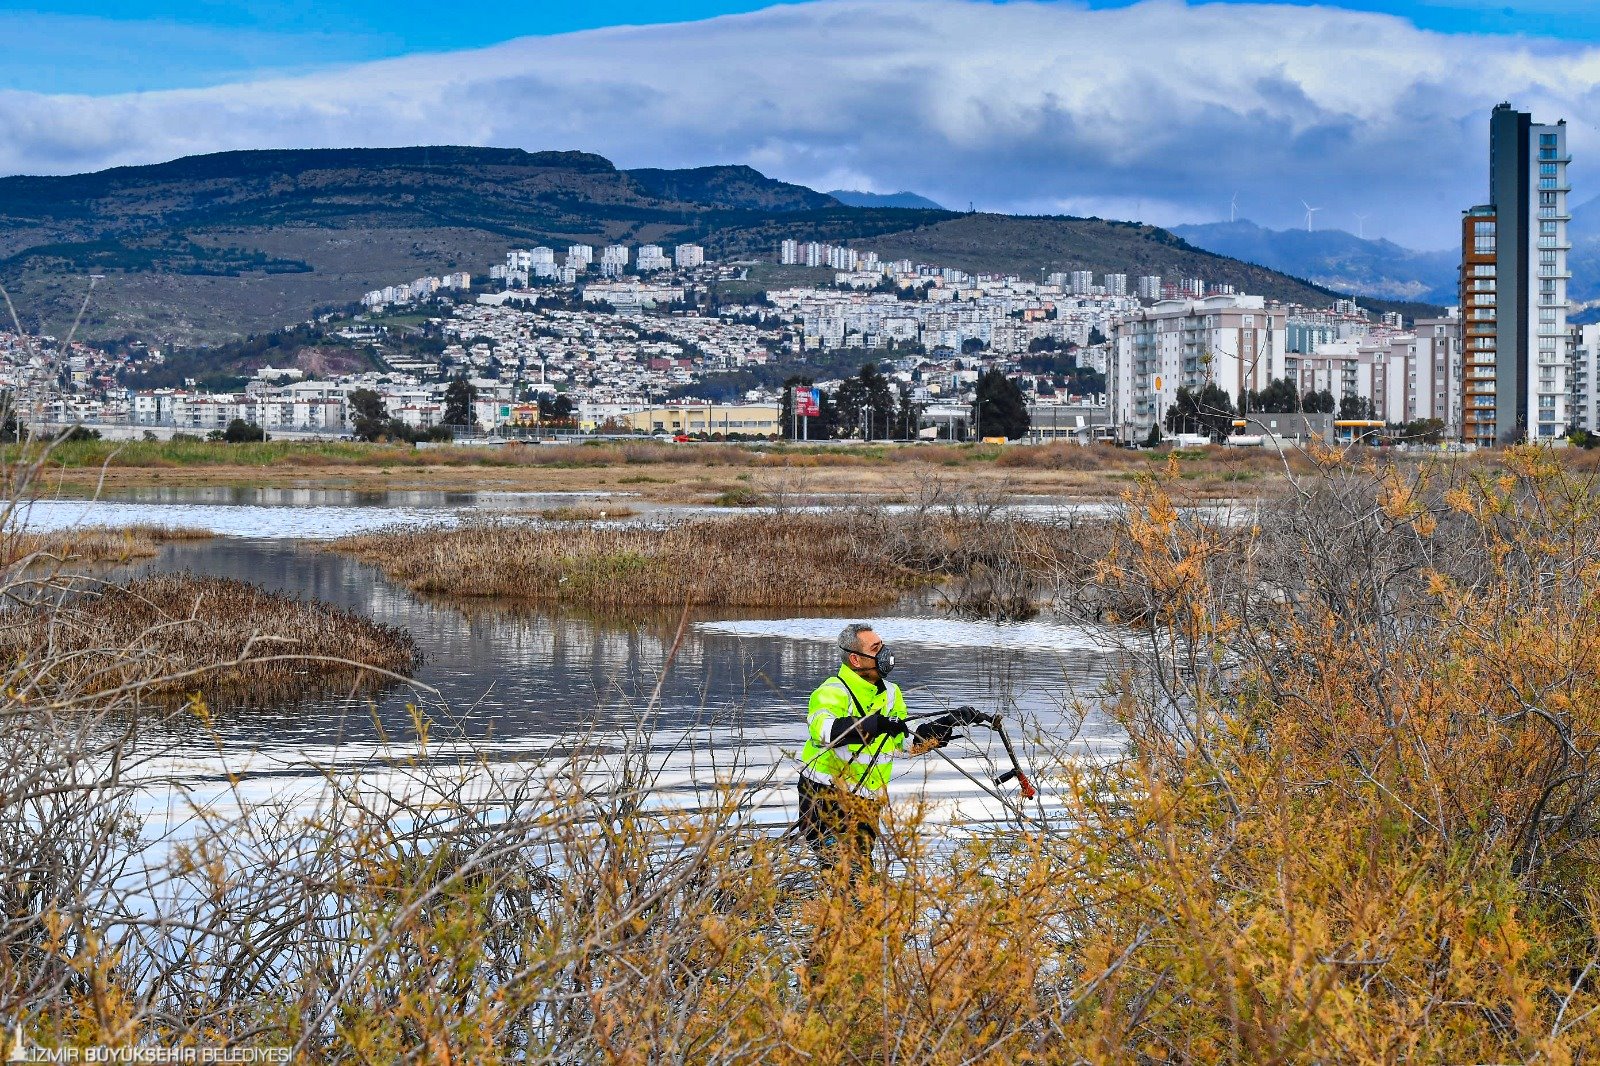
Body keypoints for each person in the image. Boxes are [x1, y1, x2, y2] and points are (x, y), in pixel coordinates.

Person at [796, 623, 989, 864]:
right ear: (856, 660)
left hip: (865, 802)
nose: (885, 653)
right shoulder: (831, 691)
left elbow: (903, 744)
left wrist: (946, 724)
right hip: (823, 797)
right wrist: (874, 725)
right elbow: (825, 732)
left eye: (883, 645)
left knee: (862, 873)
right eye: (876, 648)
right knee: (845, 871)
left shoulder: (891, 693)